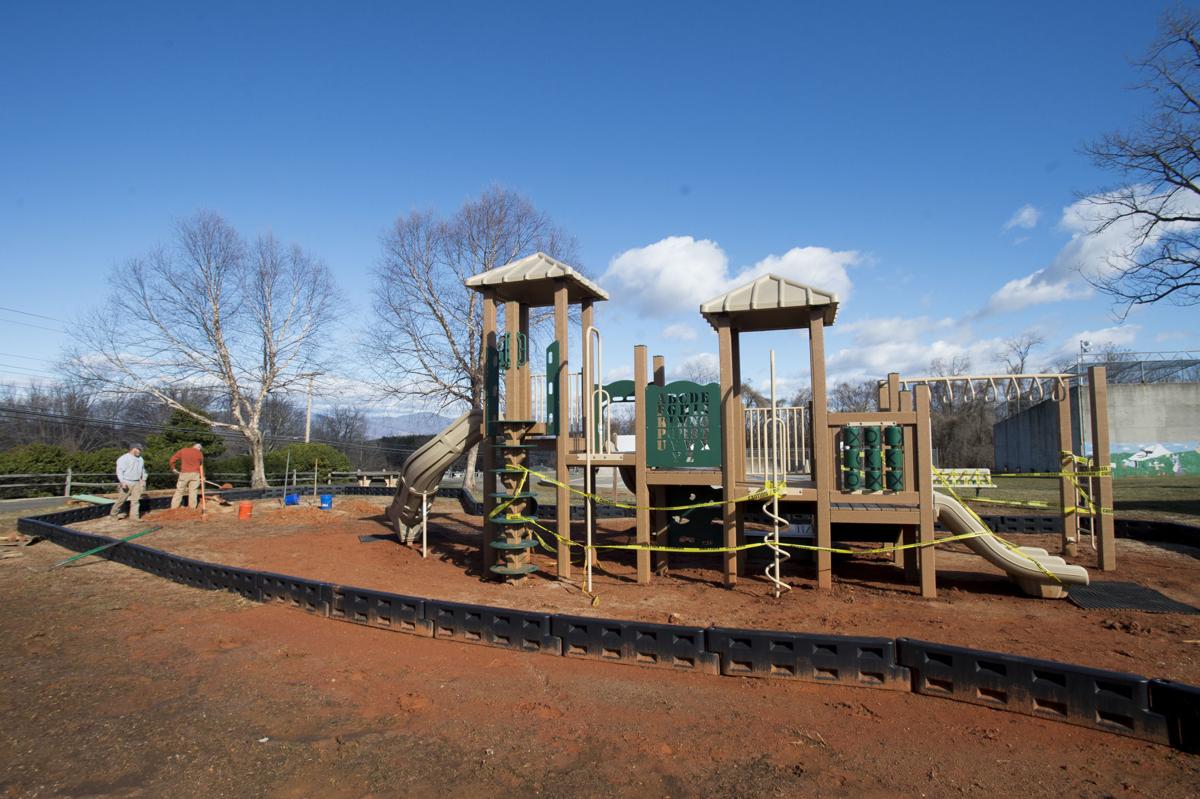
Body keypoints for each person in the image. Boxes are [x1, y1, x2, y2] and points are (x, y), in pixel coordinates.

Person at [110, 444, 146, 520]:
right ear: (133, 449)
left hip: (137, 482)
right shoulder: (124, 458)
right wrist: (122, 482)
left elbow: (142, 470)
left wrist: (143, 480)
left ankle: (134, 517)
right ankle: (113, 515)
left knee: (135, 501)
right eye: (139, 450)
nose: (140, 451)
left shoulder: (140, 459)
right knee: (121, 500)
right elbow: (119, 471)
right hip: (127, 482)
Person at [169, 443, 204, 509]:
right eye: (200, 449)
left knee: (179, 491)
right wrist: (202, 476)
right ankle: (192, 509)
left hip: (184, 474)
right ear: (199, 448)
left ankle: (174, 508)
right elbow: (201, 466)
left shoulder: (183, 450)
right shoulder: (200, 454)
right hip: (195, 475)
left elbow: (172, 460)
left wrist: (173, 469)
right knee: (193, 492)